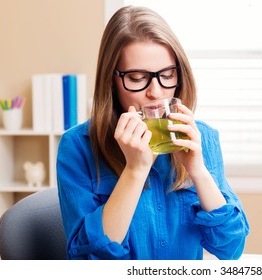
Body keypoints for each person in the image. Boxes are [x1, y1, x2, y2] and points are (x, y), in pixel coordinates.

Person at [56, 5, 249, 260]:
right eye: (137, 78)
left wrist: (198, 170)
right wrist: (134, 172)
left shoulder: (201, 138)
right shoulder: (77, 147)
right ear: (112, 81)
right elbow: (88, 263)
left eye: (167, 75)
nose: (156, 92)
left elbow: (231, 248)